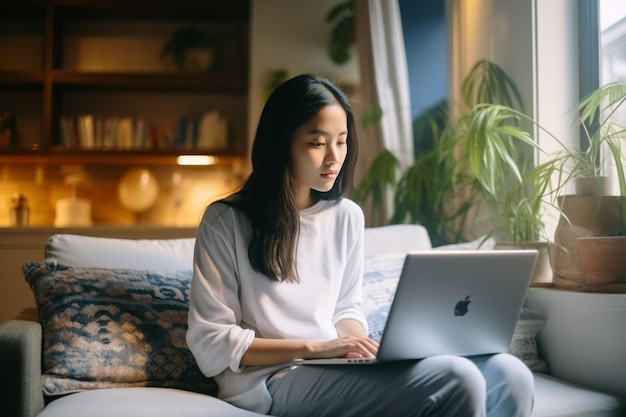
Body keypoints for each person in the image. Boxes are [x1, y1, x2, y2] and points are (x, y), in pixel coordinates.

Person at [186, 74, 534, 417]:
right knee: (456, 379)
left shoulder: (347, 216)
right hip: (269, 380)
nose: (334, 157)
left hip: (334, 365)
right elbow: (211, 339)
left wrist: (357, 346)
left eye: (342, 140)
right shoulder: (226, 221)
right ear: (281, 143)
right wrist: (317, 348)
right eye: (317, 143)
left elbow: (346, 308)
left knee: (509, 374)